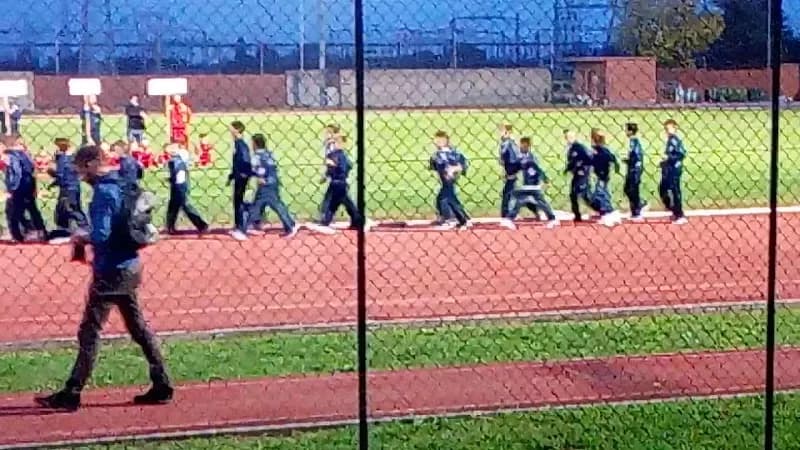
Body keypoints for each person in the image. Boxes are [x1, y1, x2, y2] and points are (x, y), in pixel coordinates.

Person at [34, 145, 173, 412]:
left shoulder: (103, 193)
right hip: (130, 265)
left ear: (92, 164)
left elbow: (101, 234)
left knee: (90, 331)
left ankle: (72, 392)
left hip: (110, 270)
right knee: (138, 327)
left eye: (81, 169)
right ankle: (162, 382)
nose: (80, 175)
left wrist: (80, 236)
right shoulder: (123, 183)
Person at [231, 134, 298, 241]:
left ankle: (242, 230)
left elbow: (256, 170)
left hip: (265, 185)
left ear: (255, 144)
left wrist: (247, 174)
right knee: (277, 205)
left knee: (254, 208)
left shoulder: (256, 157)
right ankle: (290, 225)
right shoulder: (269, 154)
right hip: (274, 182)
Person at [501, 137, 559, 229]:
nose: (521, 147)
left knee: (538, 202)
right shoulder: (521, 158)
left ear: (527, 146)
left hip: (533, 186)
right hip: (527, 186)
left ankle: (552, 218)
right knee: (521, 201)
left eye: (523, 145)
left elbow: (539, 170)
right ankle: (510, 218)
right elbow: (516, 168)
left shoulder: (531, 158)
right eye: (521, 145)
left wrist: (545, 180)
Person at [2, 134, 47, 242]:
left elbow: (16, 172)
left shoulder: (11, 156)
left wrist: (13, 187)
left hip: (19, 187)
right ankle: (41, 231)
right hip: (29, 185)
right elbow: (32, 170)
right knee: (32, 209)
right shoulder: (25, 155)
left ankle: (17, 235)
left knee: (15, 212)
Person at [319, 132, 363, 230]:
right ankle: (357, 220)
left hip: (339, 183)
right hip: (337, 183)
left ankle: (326, 220)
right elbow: (347, 165)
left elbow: (344, 167)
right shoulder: (336, 154)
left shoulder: (338, 155)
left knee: (332, 203)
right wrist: (327, 174)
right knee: (341, 203)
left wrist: (333, 164)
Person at [47, 138, 88, 243]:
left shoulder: (64, 159)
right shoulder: (72, 158)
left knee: (71, 208)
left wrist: (52, 173)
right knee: (64, 208)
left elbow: (61, 174)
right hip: (73, 186)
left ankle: (84, 228)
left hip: (67, 187)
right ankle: (65, 229)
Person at [429, 131, 471, 230]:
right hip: (444, 179)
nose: (436, 142)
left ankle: (450, 219)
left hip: (449, 179)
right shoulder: (436, 155)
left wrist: (453, 170)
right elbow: (434, 168)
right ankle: (462, 218)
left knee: (445, 198)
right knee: (445, 197)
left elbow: (461, 165)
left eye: (439, 140)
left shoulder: (453, 153)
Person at [165, 143, 208, 234]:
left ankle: (201, 225)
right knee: (174, 205)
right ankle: (170, 227)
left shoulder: (179, 158)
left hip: (180, 185)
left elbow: (180, 171)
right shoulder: (174, 160)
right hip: (177, 184)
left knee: (184, 205)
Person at [589, 129, 622, 227]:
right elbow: (614, 160)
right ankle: (605, 212)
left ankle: (609, 213)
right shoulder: (603, 150)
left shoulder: (600, 151)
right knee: (599, 194)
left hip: (602, 176)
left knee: (602, 194)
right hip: (602, 175)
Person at [660, 119, 688, 225]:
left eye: (668, 128)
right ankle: (674, 210)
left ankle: (679, 214)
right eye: (665, 129)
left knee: (675, 190)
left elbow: (681, 154)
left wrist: (668, 158)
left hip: (675, 169)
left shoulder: (675, 140)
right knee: (663, 188)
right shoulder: (670, 140)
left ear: (675, 128)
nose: (666, 131)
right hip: (669, 168)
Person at [563, 129, 594, 223]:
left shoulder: (580, 147)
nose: (568, 139)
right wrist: (568, 169)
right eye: (566, 137)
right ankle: (577, 215)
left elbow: (589, 158)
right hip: (576, 175)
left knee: (583, 195)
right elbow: (572, 161)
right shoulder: (571, 149)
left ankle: (603, 209)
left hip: (582, 174)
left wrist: (583, 169)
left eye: (570, 137)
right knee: (574, 194)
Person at [228, 121, 252, 235]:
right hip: (238, 176)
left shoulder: (241, 144)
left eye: (231, 129)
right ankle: (240, 225)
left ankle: (241, 226)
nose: (230, 131)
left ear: (237, 130)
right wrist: (231, 176)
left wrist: (244, 174)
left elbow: (245, 160)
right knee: (237, 201)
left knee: (239, 201)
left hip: (241, 177)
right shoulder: (237, 143)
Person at [622, 123, 648, 221]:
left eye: (626, 130)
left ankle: (637, 210)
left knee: (633, 189)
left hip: (635, 169)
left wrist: (629, 161)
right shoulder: (631, 141)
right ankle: (636, 208)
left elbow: (636, 156)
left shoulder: (634, 142)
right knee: (627, 189)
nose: (625, 132)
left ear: (630, 131)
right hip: (632, 168)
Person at [498, 124, 520, 219]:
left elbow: (505, 157)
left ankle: (507, 212)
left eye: (502, 131)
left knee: (509, 190)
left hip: (511, 168)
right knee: (510, 190)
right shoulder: (509, 142)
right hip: (511, 169)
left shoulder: (508, 143)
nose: (500, 133)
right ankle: (508, 212)